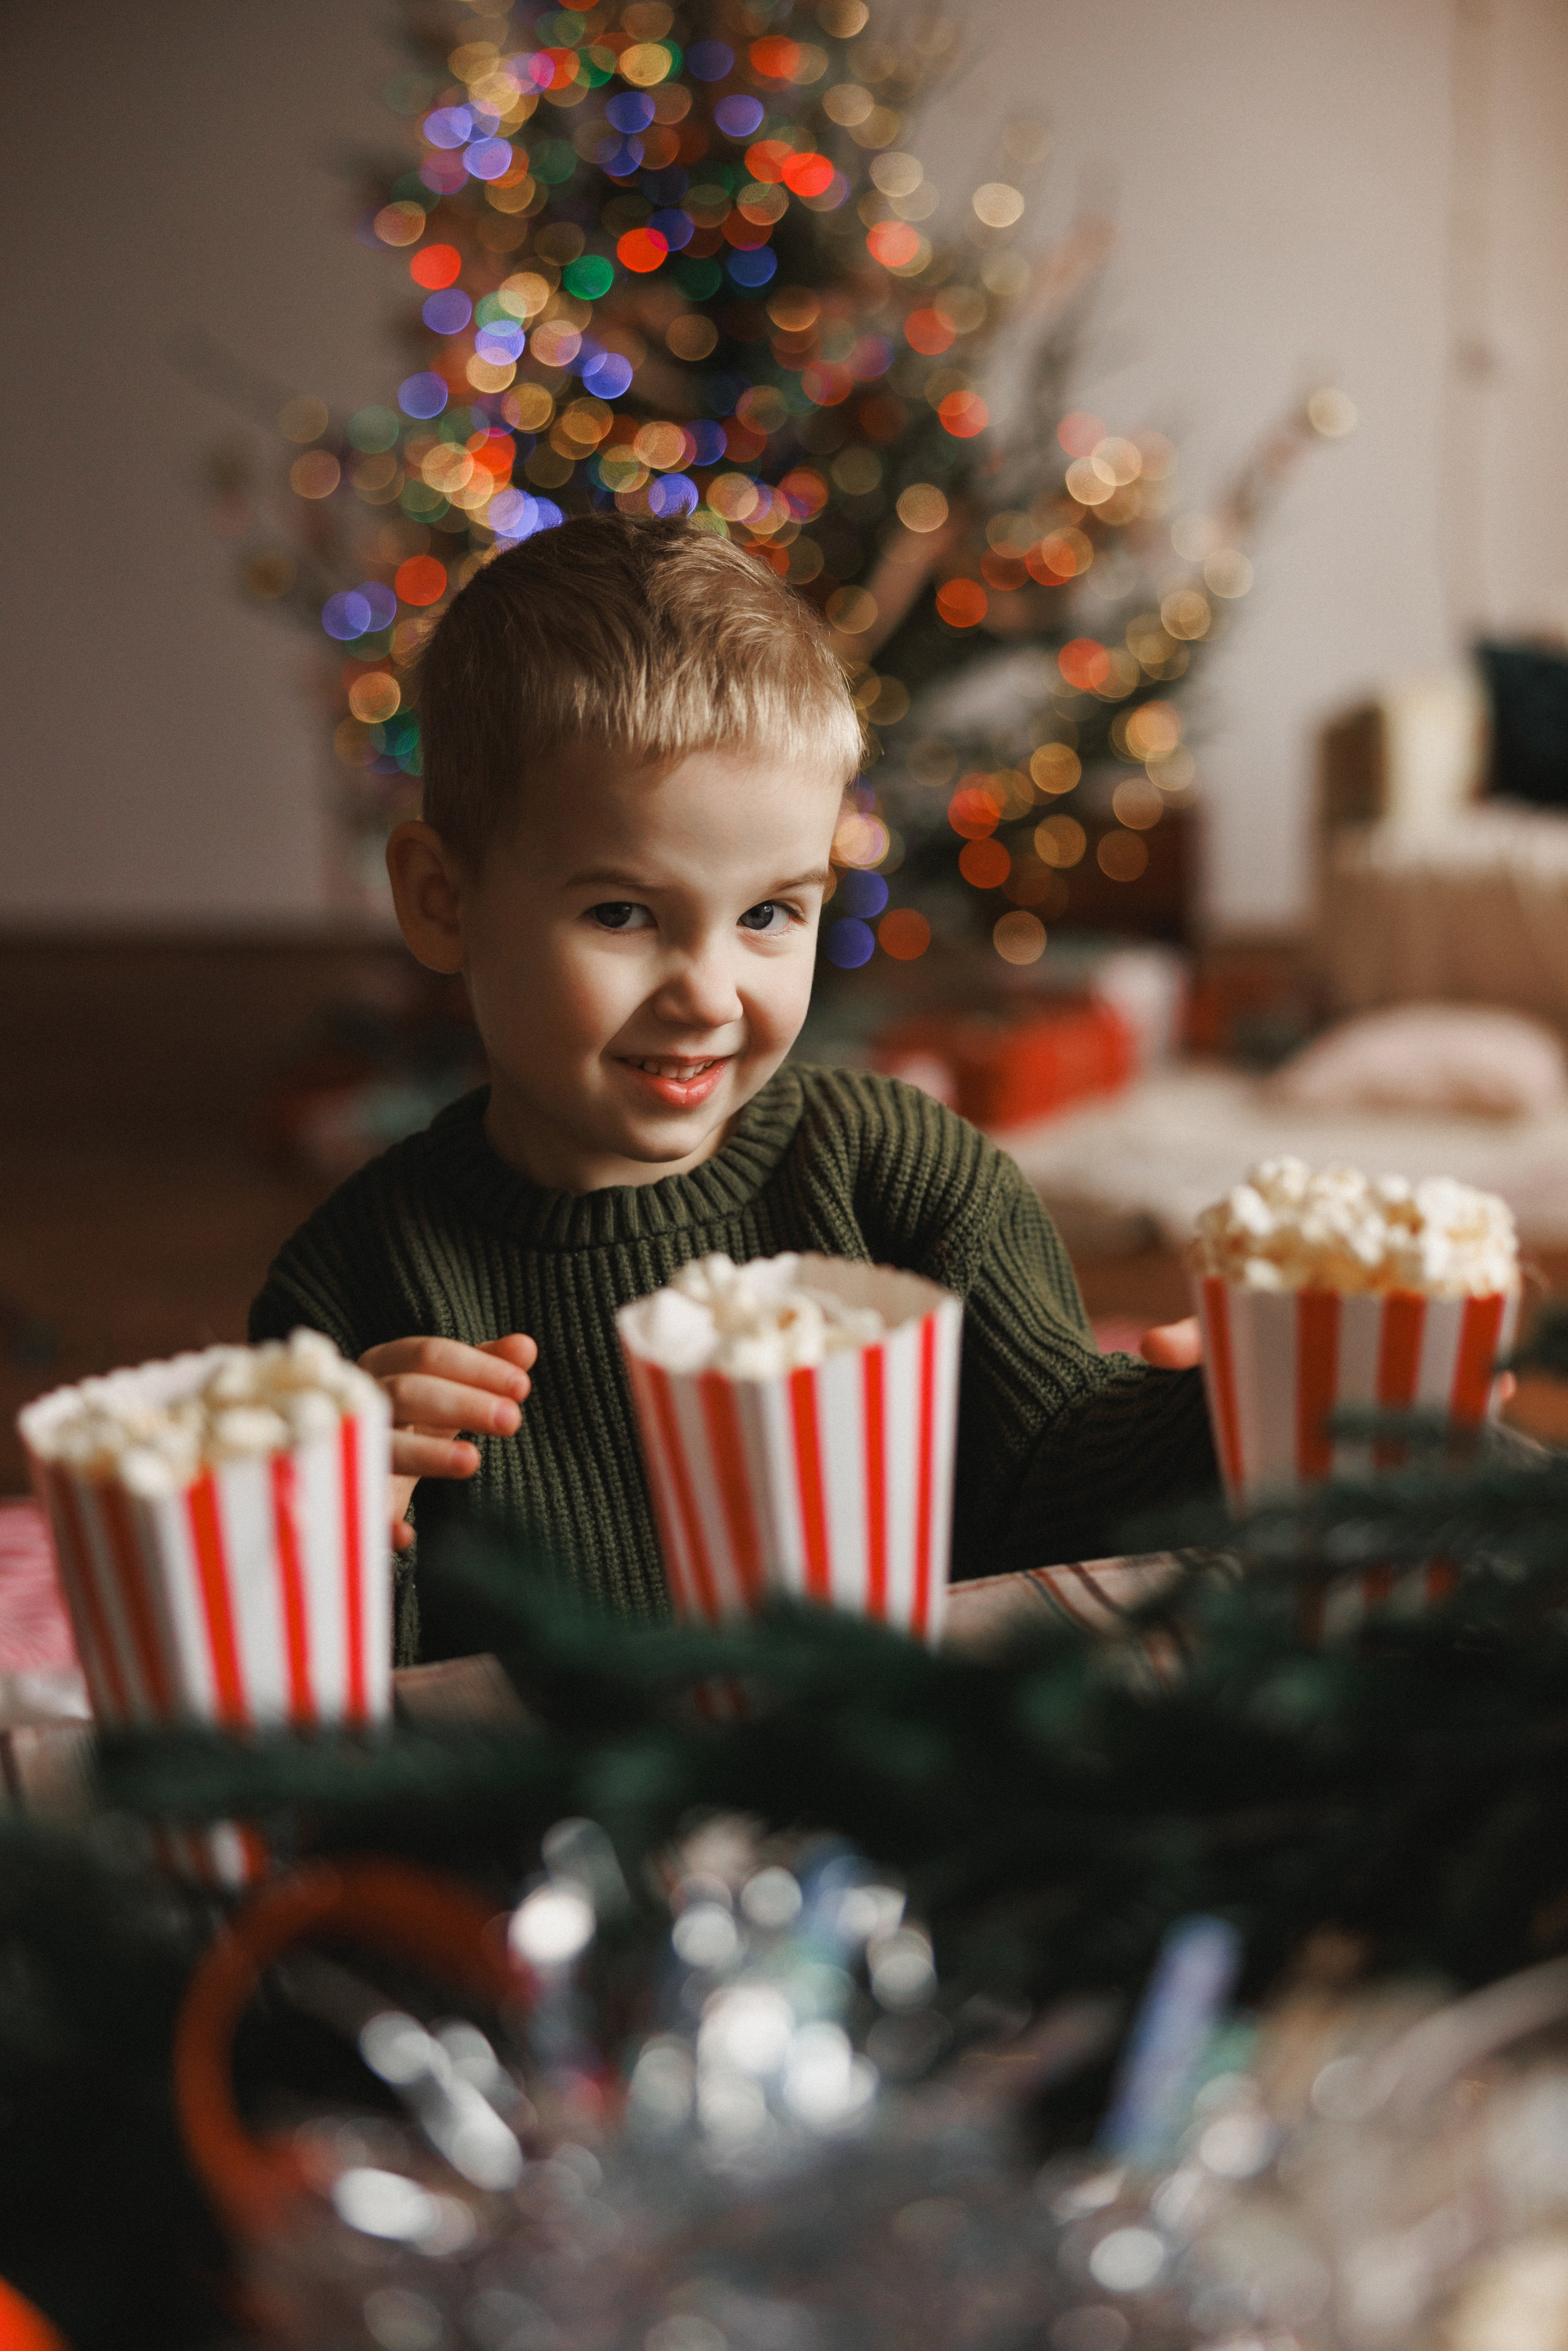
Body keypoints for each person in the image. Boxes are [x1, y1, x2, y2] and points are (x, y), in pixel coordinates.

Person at [251, 515, 1216, 1661]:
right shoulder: (354, 1288)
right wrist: (342, 1524)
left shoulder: (903, 1180)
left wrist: (1212, 1418)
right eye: (622, 913)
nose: (708, 994)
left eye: (769, 914)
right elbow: (322, 1707)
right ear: (441, 900)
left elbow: (1049, 1481)